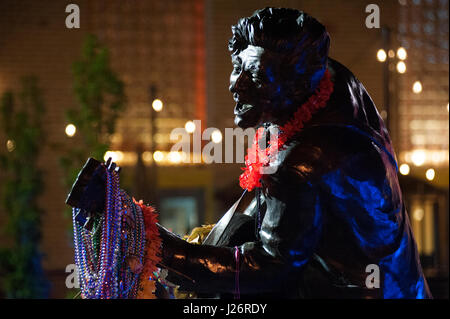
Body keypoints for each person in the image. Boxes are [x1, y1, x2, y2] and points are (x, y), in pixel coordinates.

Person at [155, 7, 432, 299]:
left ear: (298, 84)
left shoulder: (305, 162)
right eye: (238, 67)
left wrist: (163, 248)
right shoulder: (336, 86)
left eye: (257, 76)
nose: (237, 85)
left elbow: (267, 269)